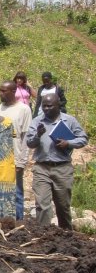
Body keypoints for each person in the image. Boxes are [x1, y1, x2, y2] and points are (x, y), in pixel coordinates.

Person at [25, 93, 88, 230]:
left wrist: (68, 143)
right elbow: (29, 143)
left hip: (62, 168)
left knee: (63, 205)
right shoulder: (37, 121)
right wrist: (38, 135)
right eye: (44, 106)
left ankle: (66, 234)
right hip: (42, 168)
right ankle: (44, 234)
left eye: (49, 106)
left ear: (58, 105)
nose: (46, 109)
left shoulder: (69, 121)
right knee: (42, 204)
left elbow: (83, 138)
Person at [0, 80, 33, 219]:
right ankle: (1, 218)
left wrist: (22, 161)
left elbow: (26, 137)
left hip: (15, 156)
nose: (1, 93)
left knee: (16, 191)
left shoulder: (23, 109)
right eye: (0, 90)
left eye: (3, 91)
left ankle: (18, 220)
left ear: (13, 91)